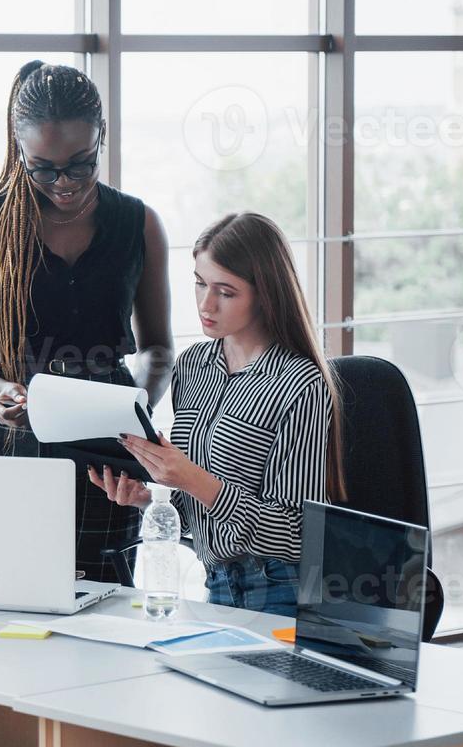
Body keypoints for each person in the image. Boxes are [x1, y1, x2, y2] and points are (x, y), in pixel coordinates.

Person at [0, 60, 173, 582]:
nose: (63, 182)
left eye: (80, 163)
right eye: (42, 168)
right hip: (13, 437)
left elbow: (158, 347)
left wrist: (134, 407)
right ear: (17, 151)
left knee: (107, 603)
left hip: (107, 448)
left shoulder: (137, 222)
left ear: (101, 141)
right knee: (7, 597)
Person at [90, 212, 346, 616]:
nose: (205, 304)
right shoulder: (192, 366)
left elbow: (298, 533)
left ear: (266, 294)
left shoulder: (300, 384)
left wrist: (191, 478)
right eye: (199, 283)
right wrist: (153, 497)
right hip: (219, 585)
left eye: (225, 292)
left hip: (282, 589)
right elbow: (202, 510)